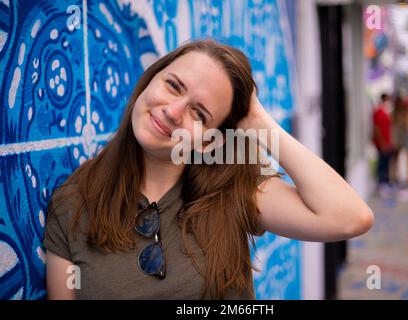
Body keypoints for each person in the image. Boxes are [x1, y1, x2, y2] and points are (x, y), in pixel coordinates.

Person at [44, 39, 373, 300]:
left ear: (207, 142)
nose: (173, 112)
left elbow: (350, 217)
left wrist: (258, 121)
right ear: (149, 81)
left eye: (199, 113)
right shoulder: (74, 203)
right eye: (173, 85)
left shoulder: (233, 194)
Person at [372, 93, 393, 198]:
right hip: (382, 143)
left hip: (387, 142)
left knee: (386, 162)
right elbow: (377, 129)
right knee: (382, 163)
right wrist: (382, 143)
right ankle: (381, 183)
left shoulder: (386, 112)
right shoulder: (378, 112)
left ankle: (385, 182)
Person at [390, 95, 408, 187]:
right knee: (396, 159)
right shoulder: (395, 113)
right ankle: (395, 176)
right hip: (398, 138)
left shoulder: (398, 112)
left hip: (400, 138)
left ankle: (397, 176)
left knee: (398, 159)